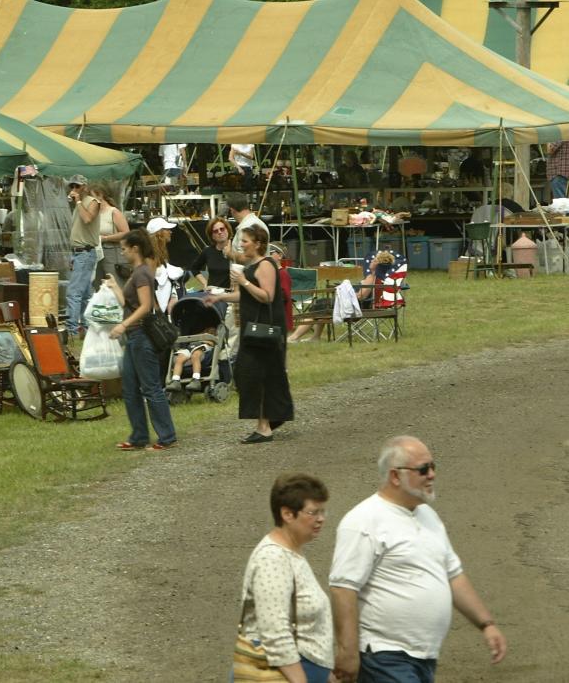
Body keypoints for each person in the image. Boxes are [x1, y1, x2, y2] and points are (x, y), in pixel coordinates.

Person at [329, 435, 507, 683]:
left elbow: (452, 575)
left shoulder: (428, 516)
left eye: (433, 467)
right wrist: (347, 653)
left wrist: (486, 624)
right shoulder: (363, 521)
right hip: (384, 656)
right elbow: (343, 589)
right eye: (423, 469)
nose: (432, 474)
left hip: (424, 656)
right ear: (395, 476)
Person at [236, 474, 334, 683]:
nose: (321, 519)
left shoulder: (291, 553)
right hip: (284, 674)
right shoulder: (273, 558)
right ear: (287, 514)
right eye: (313, 512)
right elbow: (275, 631)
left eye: (323, 511)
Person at [206, 224, 292, 443]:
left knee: (256, 375)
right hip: (252, 329)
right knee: (252, 375)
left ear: (258, 243)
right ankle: (272, 418)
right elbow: (244, 297)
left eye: (245, 241)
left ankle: (264, 426)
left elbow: (267, 296)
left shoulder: (266, 265)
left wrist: (243, 281)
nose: (241, 245)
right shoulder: (252, 265)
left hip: (264, 330)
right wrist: (219, 297)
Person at [107, 229, 177, 451]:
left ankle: (167, 436)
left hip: (141, 335)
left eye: (124, 248)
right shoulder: (138, 272)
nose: (122, 253)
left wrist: (123, 325)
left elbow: (146, 307)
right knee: (130, 387)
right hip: (134, 336)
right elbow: (131, 304)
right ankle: (139, 435)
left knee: (150, 387)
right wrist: (115, 287)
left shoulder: (142, 273)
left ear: (135, 248)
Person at [65, 174, 100, 338]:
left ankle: (71, 329)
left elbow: (87, 219)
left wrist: (78, 201)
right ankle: (86, 328)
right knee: (85, 294)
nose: (74, 189)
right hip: (78, 253)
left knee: (73, 293)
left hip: (85, 252)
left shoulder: (92, 202)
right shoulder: (77, 205)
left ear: (85, 187)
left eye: (77, 186)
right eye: (72, 186)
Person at [145, 217, 185, 314]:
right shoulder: (150, 255)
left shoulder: (161, 252)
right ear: (159, 233)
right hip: (157, 301)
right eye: (167, 229)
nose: (170, 232)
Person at [94, 183, 130, 287]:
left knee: (116, 283)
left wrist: (105, 238)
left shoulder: (113, 212)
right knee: (98, 285)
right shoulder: (95, 213)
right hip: (98, 253)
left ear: (100, 195)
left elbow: (126, 233)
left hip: (113, 252)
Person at [167, 325, 216, 392]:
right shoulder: (198, 333)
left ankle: (196, 379)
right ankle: (175, 380)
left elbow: (213, 342)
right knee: (179, 358)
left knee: (195, 355)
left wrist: (205, 340)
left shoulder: (211, 336)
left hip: (202, 348)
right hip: (190, 347)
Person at [190, 217, 233, 291]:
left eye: (222, 229)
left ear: (227, 230)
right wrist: (205, 283)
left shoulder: (237, 249)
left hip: (231, 295)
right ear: (212, 236)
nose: (220, 232)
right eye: (215, 231)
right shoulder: (208, 251)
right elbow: (194, 268)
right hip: (213, 294)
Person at [226, 194, 269, 265]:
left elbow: (245, 258)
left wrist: (228, 253)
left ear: (232, 210)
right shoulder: (258, 222)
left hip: (250, 274)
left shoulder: (245, 227)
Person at [269, 243, 294, 332]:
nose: (267, 255)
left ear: (279, 256)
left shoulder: (282, 274)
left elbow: (284, 296)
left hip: (280, 315)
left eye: (271, 253)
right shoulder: (270, 273)